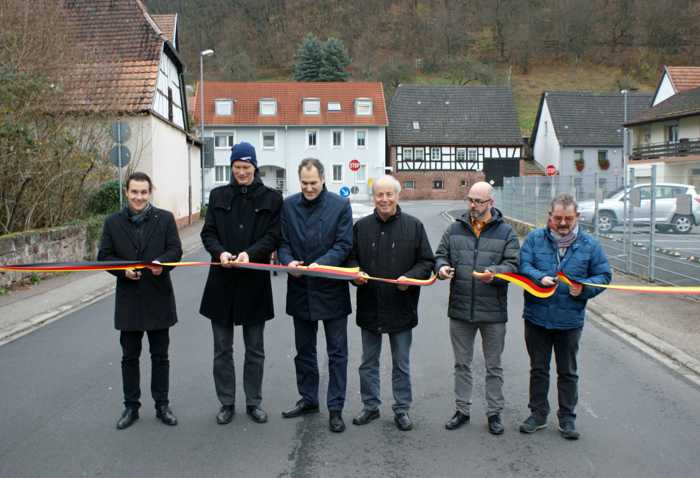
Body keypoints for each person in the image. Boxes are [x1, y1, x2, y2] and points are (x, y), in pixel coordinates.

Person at [200, 142, 282, 425]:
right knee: (222, 349)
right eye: (237, 168)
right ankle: (226, 403)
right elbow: (207, 233)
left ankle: (253, 402)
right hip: (221, 283)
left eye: (247, 168)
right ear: (232, 168)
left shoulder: (272, 198)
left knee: (255, 349)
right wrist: (219, 252)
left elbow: (274, 236)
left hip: (254, 284)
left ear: (255, 167)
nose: (242, 172)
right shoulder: (218, 195)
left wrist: (252, 254)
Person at [518, 193, 611, 440]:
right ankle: (537, 415)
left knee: (567, 371)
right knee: (538, 369)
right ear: (549, 216)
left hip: (570, 321)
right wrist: (539, 277)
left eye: (568, 219)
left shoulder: (590, 245)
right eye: (557, 218)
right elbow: (523, 266)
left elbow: (604, 276)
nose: (562, 223)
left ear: (577, 217)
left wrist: (584, 288)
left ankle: (567, 419)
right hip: (537, 317)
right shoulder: (534, 239)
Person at [347, 175, 434, 431]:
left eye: (389, 194)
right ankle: (370, 406)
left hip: (401, 306)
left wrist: (411, 277)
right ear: (373, 197)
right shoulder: (361, 227)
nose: (384, 199)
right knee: (368, 362)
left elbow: (426, 262)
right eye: (379, 195)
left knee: (401, 363)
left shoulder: (414, 226)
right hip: (370, 305)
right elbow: (350, 258)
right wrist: (355, 274)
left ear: (398, 196)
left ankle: (402, 408)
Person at [98, 171, 182, 430]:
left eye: (143, 192)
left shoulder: (165, 219)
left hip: (158, 297)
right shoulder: (112, 222)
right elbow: (104, 256)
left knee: (160, 356)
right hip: (129, 300)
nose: (138, 197)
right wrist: (122, 271)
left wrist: (163, 265)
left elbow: (175, 250)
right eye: (134, 192)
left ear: (150, 192)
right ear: (126, 192)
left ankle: (162, 405)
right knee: (129, 357)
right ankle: (131, 406)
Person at [434, 181, 520, 435]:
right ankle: (462, 410)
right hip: (460, 308)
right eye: (470, 200)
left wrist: (494, 273)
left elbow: (514, 265)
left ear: (490, 203)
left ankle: (494, 413)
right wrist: (441, 268)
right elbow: (440, 254)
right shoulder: (454, 229)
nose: (472, 205)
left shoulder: (506, 233)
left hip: (493, 312)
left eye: (478, 201)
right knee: (462, 364)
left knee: (493, 366)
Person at [278, 158, 353, 433]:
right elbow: (283, 242)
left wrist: (323, 263)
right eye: (304, 183)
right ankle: (308, 399)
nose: (309, 188)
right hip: (300, 289)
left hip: (331, 289)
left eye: (313, 183)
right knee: (304, 351)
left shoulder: (339, 206)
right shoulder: (288, 206)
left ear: (323, 179)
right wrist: (287, 262)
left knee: (337, 354)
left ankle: (336, 408)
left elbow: (344, 244)